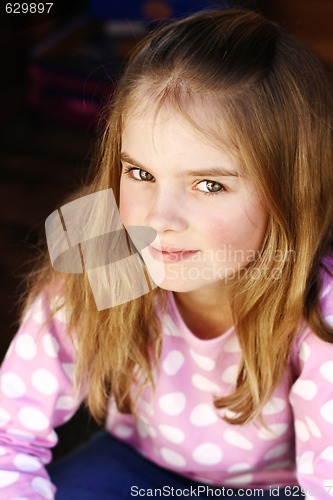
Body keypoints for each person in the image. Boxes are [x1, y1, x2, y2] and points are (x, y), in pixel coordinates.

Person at [1, 6, 333, 500]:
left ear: (290, 191)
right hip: (132, 469)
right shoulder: (103, 256)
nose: (160, 218)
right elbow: (8, 438)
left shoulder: (319, 309)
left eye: (208, 183)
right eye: (141, 174)